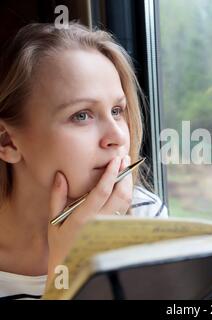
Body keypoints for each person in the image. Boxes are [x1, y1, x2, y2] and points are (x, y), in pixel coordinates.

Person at [0, 22, 168, 300]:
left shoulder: (144, 215)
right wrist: (69, 269)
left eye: (117, 110)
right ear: (7, 141)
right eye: (81, 115)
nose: (117, 137)